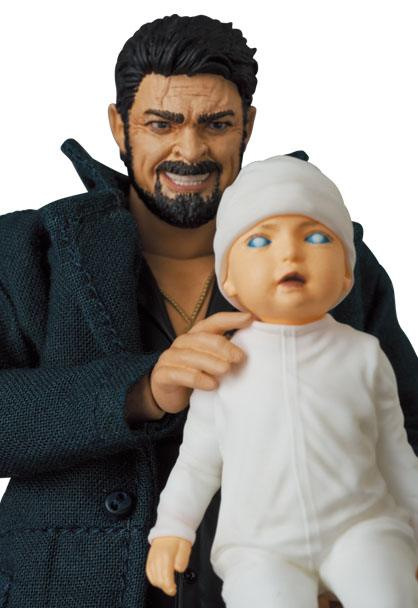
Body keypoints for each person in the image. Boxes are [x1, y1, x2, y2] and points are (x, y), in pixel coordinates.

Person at [0, 13, 416, 608]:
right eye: (161, 123)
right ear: (119, 125)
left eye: (216, 124)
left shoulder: (332, 258)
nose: (190, 151)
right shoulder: (32, 253)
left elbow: (402, 427)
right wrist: (140, 392)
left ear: (247, 126)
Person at [146, 154, 418, 607]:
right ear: (229, 279)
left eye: (316, 237)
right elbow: (198, 462)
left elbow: (394, 451)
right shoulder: (225, 363)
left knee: (389, 592)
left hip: (362, 525)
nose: (290, 254)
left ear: (346, 273)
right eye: (259, 242)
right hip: (259, 544)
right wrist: (172, 529)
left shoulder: (363, 355)